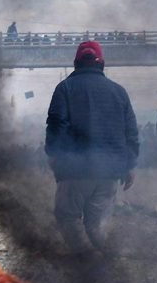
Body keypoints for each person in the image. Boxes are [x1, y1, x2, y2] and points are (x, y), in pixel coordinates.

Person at [45, 41, 139, 258]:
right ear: (102, 64)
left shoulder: (65, 88)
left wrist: (53, 154)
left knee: (68, 217)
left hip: (75, 170)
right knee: (96, 223)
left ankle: (88, 261)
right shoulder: (119, 92)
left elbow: (56, 124)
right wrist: (130, 165)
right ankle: (107, 264)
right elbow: (131, 133)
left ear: (76, 63)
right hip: (110, 171)